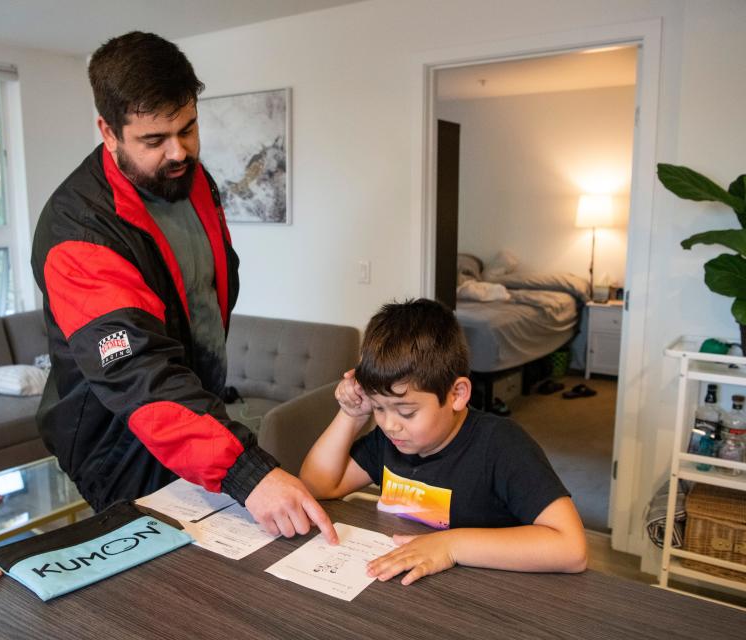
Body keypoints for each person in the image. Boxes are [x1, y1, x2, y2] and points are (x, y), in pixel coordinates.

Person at [31, 31, 335, 543]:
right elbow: (137, 375)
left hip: (193, 412)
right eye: (154, 140)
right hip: (122, 436)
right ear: (108, 131)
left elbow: (205, 292)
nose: (179, 151)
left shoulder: (191, 179)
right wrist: (247, 472)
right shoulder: (79, 234)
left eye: (188, 128)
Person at [299, 298, 587, 583]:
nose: (389, 425)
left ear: (457, 394)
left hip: (485, 594)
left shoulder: (501, 445)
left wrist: (450, 545)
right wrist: (352, 414)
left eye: (406, 411)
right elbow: (318, 486)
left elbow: (571, 549)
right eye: (378, 408)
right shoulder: (391, 441)